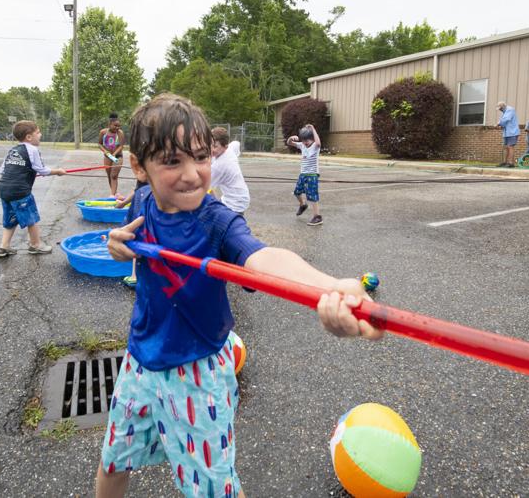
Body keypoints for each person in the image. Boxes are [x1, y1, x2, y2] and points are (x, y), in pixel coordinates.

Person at [96, 93, 381, 498]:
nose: (193, 174)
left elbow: (263, 256)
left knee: (217, 491)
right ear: (140, 167)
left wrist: (328, 287)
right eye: (172, 161)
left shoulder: (217, 220)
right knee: (112, 462)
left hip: (197, 373)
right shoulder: (142, 199)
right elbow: (127, 241)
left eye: (200, 157)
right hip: (138, 361)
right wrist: (117, 245)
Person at [0, 120, 66, 257]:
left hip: (4, 189)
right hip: (20, 191)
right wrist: (58, 171)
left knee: (10, 218)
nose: (40, 135)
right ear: (29, 137)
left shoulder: (13, 150)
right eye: (38, 132)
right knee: (31, 218)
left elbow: (2, 170)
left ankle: (3, 247)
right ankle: (35, 245)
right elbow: (42, 170)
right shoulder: (32, 149)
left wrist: (21, 172)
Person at [286, 124, 323, 226]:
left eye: (307, 140)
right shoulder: (302, 145)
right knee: (297, 192)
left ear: (312, 139)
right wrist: (291, 138)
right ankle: (303, 205)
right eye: (303, 140)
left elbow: (318, 143)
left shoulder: (315, 146)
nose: (305, 142)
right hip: (303, 174)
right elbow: (289, 143)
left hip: (312, 175)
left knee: (312, 195)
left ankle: (317, 217)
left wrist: (313, 129)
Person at [209, 127, 250, 214]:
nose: (211, 149)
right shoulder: (230, 149)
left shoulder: (219, 167)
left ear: (225, 147)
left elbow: (205, 188)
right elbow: (236, 143)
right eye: (210, 144)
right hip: (239, 196)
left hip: (235, 203)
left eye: (215, 146)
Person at [98, 113, 126, 198]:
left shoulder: (120, 133)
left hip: (117, 157)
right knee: (109, 176)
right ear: (109, 124)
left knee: (114, 176)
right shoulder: (103, 132)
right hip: (107, 157)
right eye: (115, 125)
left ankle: (112, 195)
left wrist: (114, 154)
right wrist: (105, 151)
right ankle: (115, 193)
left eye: (119, 126)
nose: (117, 127)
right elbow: (99, 144)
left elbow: (121, 146)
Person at [496, 102, 520, 167]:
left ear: (503, 106)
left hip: (512, 132)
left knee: (510, 146)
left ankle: (511, 163)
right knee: (506, 147)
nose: (500, 110)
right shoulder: (504, 112)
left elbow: (506, 119)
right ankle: (504, 162)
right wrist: (501, 126)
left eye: (500, 108)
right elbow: (505, 123)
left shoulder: (510, 109)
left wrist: (498, 123)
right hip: (507, 132)